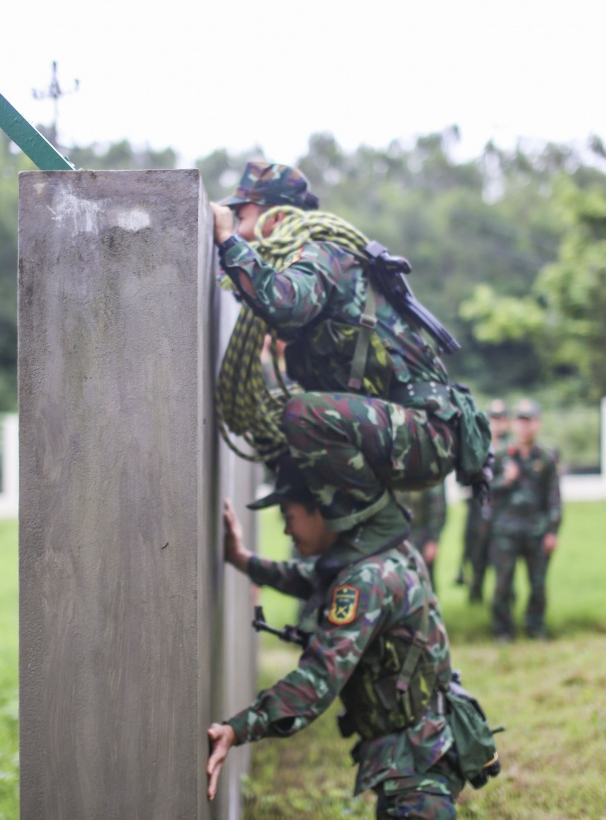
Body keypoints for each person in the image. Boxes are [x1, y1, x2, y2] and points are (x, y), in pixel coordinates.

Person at [207, 458, 495, 820]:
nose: (287, 527)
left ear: (325, 512)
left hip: (420, 752)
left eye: (291, 515)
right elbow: (310, 578)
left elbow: (317, 681)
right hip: (424, 731)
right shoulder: (379, 552)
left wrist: (237, 727)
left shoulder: (362, 580)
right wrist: (246, 561)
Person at [211, 161, 491, 534]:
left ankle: (379, 526)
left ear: (275, 217)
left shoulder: (322, 254)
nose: (234, 219)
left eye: (240, 212)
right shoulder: (304, 262)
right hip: (398, 430)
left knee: (302, 413)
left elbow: (284, 304)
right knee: (274, 427)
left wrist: (228, 240)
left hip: (426, 432)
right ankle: (334, 538)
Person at [489, 398, 562, 641]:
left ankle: (535, 627)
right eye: (520, 421)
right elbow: (485, 491)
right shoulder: (500, 455)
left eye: (529, 421)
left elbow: (553, 497)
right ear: (514, 424)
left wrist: (552, 531)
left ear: (537, 425)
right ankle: (503, 630)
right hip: (506, 531)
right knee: (502, 584)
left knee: (538, 584)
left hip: (536, 530)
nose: (524, 427)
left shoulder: (546, 458)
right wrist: (504, 480)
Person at [457, 399, 511, 603]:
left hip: (502, 515)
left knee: (503, 564)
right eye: (493, 418)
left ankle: (503, 603)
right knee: (476, 559)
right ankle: (475, 601)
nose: (497, 423)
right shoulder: (477, 446)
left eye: (500, 418)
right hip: (477, 513)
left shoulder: (511, 449)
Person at [397, 483, 447, 593]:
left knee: (424, 580)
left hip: (421, 533)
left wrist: (433, 539)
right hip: (397, 532)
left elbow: (437, 506)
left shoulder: (425, 470)